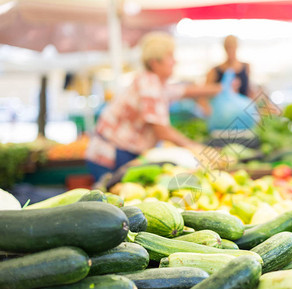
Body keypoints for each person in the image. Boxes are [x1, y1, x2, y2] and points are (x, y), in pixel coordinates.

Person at [86, 32, 222, 181]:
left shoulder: (156, 83)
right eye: (169, 56)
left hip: (119, 151)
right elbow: (162, 131)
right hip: (110, 154)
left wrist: (220, 88)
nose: (174, 61)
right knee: (114, 197)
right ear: (154, 62)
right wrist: (196, 148)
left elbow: (185, 91)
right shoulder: (149, 84)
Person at [198, 35, 251, 116]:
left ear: (237, 47)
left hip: (242, 114)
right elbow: (203, 96)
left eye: (233, 47)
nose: (231, 51)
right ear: (224, 48)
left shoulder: (246, 67)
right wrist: (208, 111)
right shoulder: (214, 70)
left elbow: (249, 92)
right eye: (228, 47)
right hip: (223, 115)